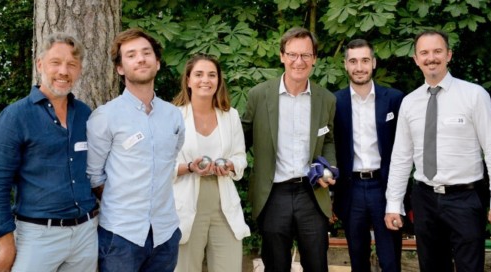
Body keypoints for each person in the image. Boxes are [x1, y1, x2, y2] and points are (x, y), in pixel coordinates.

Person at [385, 29, 491, 272]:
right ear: (416, 59)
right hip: (425, 199)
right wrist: (393, 203)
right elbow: (401, 156)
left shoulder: (474, 95)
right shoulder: (409, 102)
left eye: (437, 51)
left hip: (465, 199)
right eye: (424, 53)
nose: (431, 58)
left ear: (448, 55)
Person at [0, 32, 98, 272]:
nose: (64, 71)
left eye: (72, 65)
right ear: (40, 64)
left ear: (79, 70)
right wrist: (5, 245)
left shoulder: (86, 114)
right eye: (56, 62)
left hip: (86, 234)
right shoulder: (15, 117)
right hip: (37, 237)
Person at [87, 28, 185, 272]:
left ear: (158, 62)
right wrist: (125, 205)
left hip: (165, 234)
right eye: (131, 55)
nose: (141, 59)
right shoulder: (105, 117)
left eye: (146, 53)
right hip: (120, 237)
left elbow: (169, 162)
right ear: (120, 68)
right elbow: (93, 175)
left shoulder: (174, 116)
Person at [242, 27, 337, 272]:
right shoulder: (258, 95)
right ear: (282, 56)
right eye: (292, 54)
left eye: (306, 55)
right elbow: (241, 139)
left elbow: (328, 140)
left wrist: (329, 166)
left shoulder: (326, 99)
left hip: (312, 194)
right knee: (275, 266)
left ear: (315, 58)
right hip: (273, 194)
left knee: (317, 265)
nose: (299, 61)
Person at [171, 54, 250, 272]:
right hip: (186, 204)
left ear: (218, 81)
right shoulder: (173, 117)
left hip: (223, 203)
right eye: (198, 74)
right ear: (188, 80)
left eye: (212, 75)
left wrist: (229, 165)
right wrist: (189, 167)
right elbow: (162, 166)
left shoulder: (230, 116)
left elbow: (240, 157)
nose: (205, 80)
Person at [333, 39, 404, 272]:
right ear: (345, 65)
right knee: (357, 259)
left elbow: (404, 147)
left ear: (373, 62)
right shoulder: (335, 102)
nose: (359, 67)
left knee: (390, 259)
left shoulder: (394, 99)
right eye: (353, 61)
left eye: (364, 60)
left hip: (384, 187)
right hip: (351, 189)